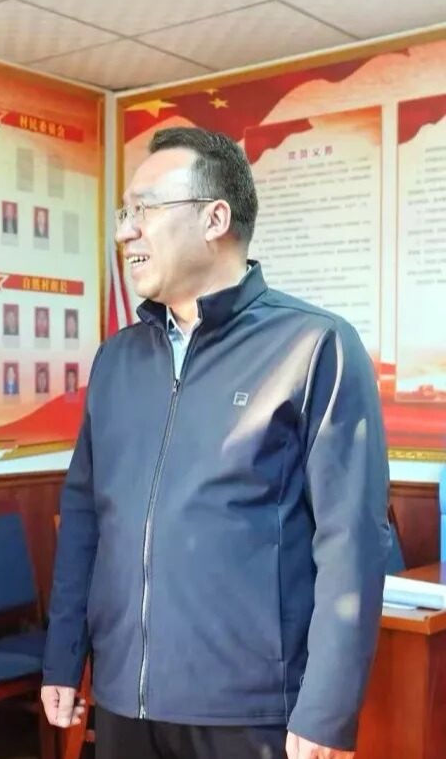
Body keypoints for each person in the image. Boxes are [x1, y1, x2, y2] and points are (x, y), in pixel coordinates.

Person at [42, 127, 389, 759]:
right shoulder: (118, 359)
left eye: (144, 209)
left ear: (215, 219)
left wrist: (327, 709)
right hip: (124, 700)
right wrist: (64, 657)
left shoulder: (314, 346)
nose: (126, 232)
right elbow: (86, 518)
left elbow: (352, 542)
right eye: (125, 214)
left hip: (249, 708)